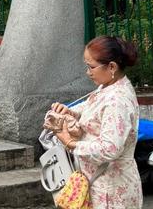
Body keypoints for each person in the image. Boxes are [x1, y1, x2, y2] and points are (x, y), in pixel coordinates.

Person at [49, 35, 142, 209]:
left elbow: (110, 149)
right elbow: (91, 106)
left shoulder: (118, 100)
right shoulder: (107, 86)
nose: (88, 72)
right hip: (99, 183)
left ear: (112, 66)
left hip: (111, 190)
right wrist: (70, 111)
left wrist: (70, 143)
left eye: (91, 67)